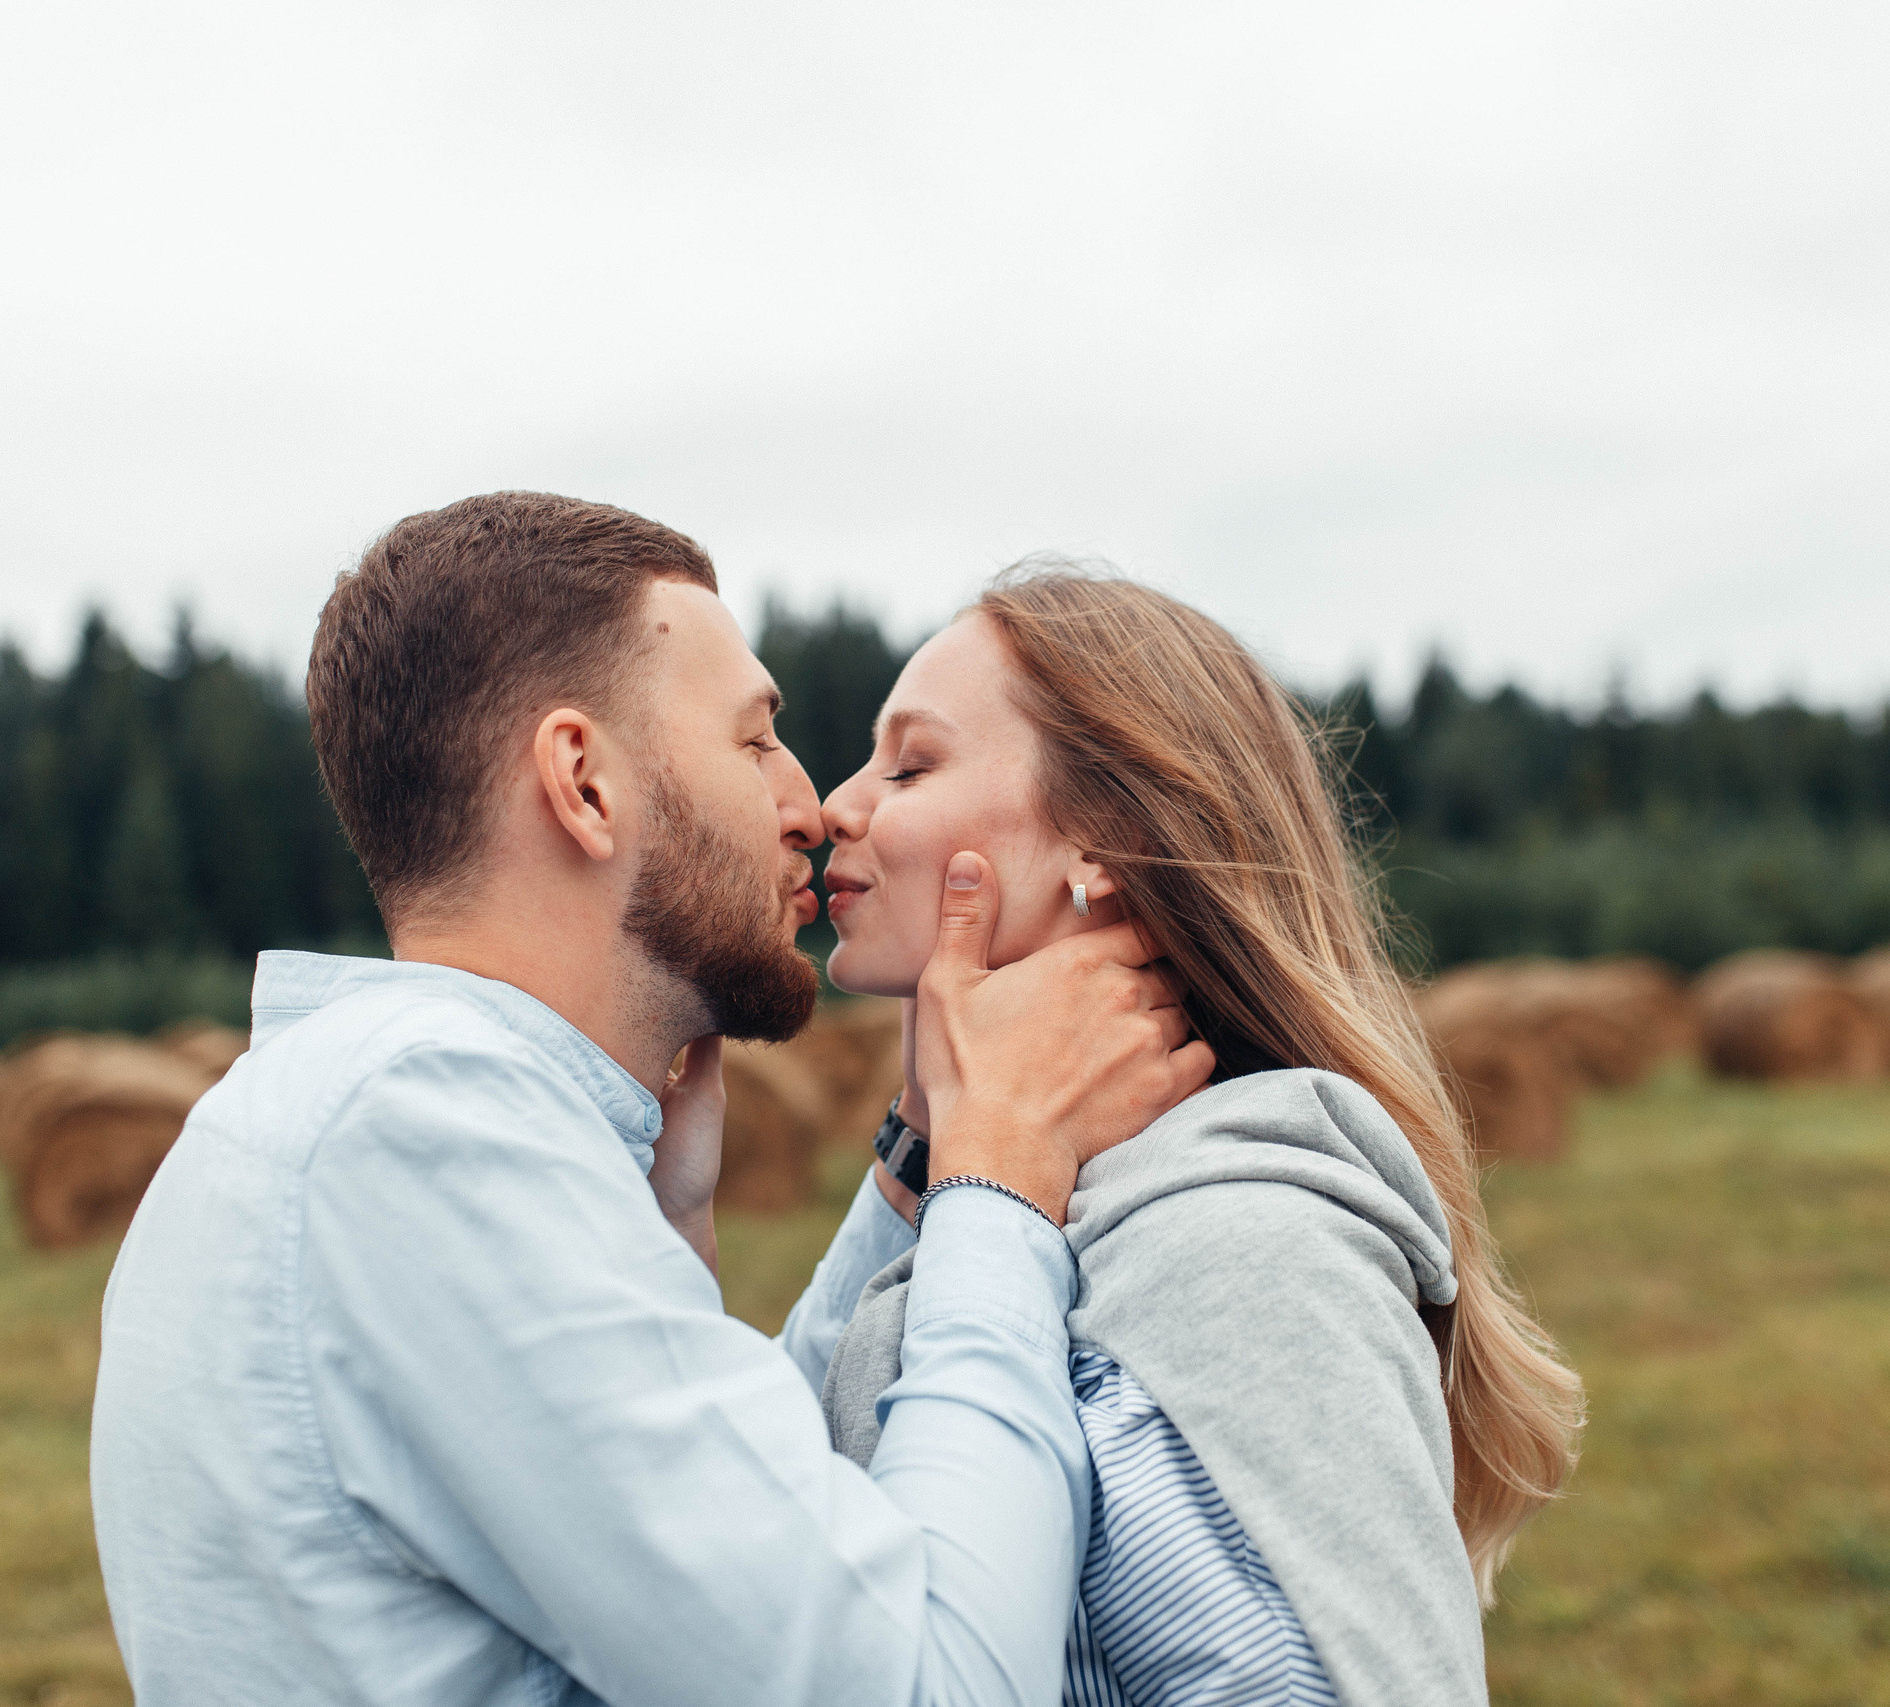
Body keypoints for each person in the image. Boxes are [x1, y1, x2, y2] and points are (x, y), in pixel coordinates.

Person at [89, 494, 1214, 1706]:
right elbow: (925, 1679)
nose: (813, 804)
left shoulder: (350, 1116)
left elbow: (740, 1555)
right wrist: (1001, 1181)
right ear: (582, 782)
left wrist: (897, 1171)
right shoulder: (426, 1140)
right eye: (752, 742)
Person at [815, 565, 1586, 1706]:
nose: (837, 803)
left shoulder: (1241, 1249)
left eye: (910, 762)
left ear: (1103, 843)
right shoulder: (1016, 1194)